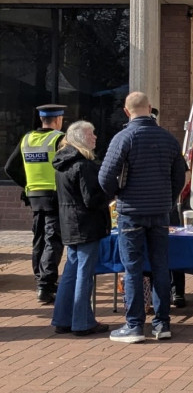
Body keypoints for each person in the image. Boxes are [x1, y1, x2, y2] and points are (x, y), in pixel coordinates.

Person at [99, 92, 186, 343]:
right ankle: (162, 324)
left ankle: (134, 325)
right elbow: (179, 177)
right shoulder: (169, 139)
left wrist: (120, 194)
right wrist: (167, 199)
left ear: (127, 112)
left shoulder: (123, 138)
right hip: (160, 212)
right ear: (150, 108)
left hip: (131, 213)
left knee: (133, 269)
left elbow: (105, 177)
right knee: (161, 266)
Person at [51, 120, 111, 336]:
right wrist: (111, 191)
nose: (95, 137)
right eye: (91, 134)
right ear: (80, 139)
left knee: (71, 272)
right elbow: (91, 200)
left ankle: (62, 319)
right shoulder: (84, 165)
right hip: (86, 225)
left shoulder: (62, 163)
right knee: (84, 274)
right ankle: (82, 322)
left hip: (70, 223)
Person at [4, 104, 67, 304]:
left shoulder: (27, 139)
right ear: (58, 120)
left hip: (34, 197)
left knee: (39, 238)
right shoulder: (59, 138)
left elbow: (9, 168)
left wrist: (28, 184)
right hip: (54, 196)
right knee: (53, 239)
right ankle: (46, 285)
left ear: (42, 119)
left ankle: (40, 280)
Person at [151, 107, 188, 309]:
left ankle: (177, 291)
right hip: (165, 204)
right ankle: (173, 292)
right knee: (169, 248)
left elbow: (181, 173)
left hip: (161, 206)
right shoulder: (169, 141)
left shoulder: (167, 141)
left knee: (171, 248)